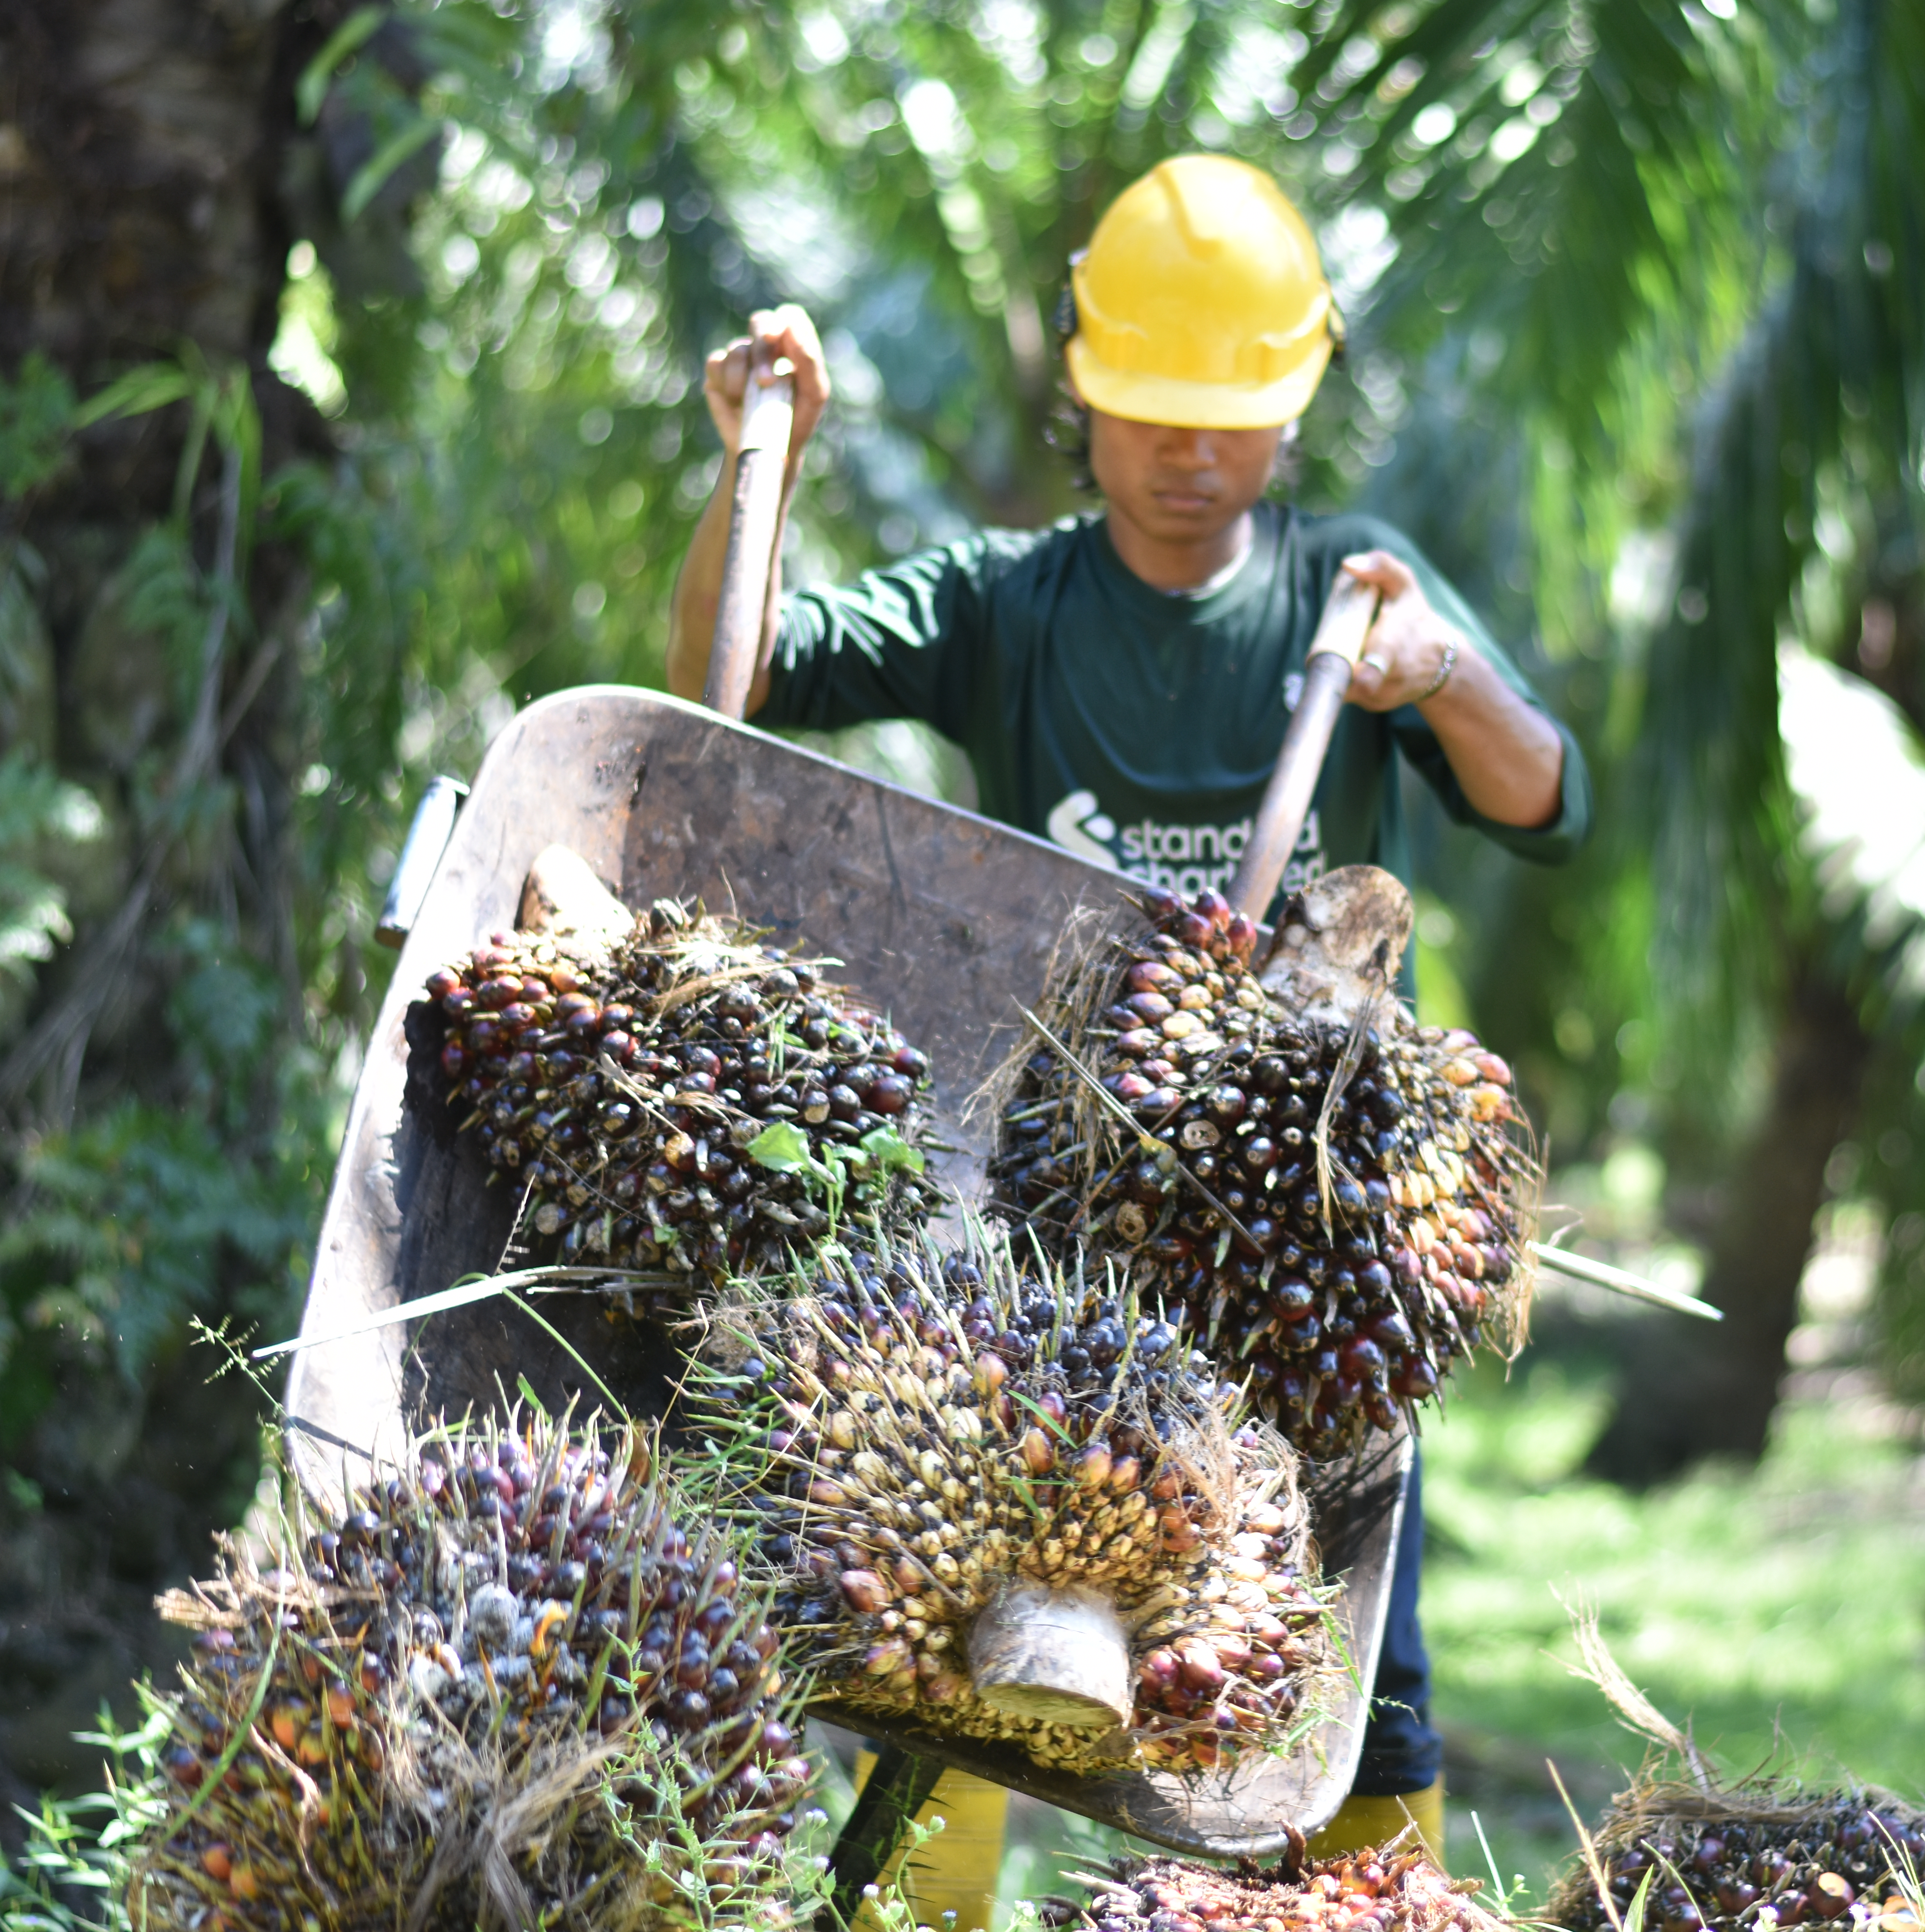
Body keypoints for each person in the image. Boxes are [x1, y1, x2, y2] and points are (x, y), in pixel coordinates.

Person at [665, 154, 1588, 1925]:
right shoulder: (1013, 601)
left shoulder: (1351, 595)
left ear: (1293, 405)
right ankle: (910, 1905)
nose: (1187, 454)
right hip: (1063, 1218)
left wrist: (1440, 678)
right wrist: (750, 461)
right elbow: (749, 665)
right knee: (938, 1630)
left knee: (1352, 1672)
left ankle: (1358, 1904)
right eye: (1154, 414)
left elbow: (1548, 798)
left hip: (1310, 1232)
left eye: (1225, 419)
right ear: (1086, 392)